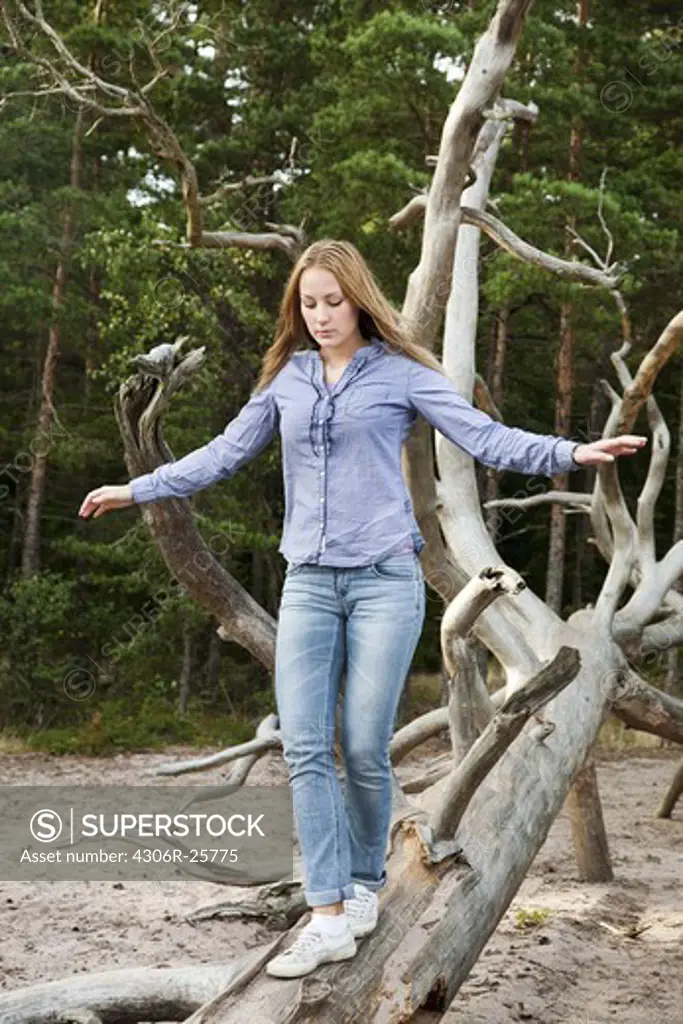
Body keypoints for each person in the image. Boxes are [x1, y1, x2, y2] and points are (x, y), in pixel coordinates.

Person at [79, 239, 647, 978]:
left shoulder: (401, 374)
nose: (319, 315)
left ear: (357, 299)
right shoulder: (286, 379)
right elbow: (222, 454)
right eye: (307, 304)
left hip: (384, 582)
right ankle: (325, 913)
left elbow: (482, 436)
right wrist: (139, 487)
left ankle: (363, 885)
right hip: (309, 583)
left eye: (331, 301)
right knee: (308, 745)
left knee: (364, 745)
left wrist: (570, 454)